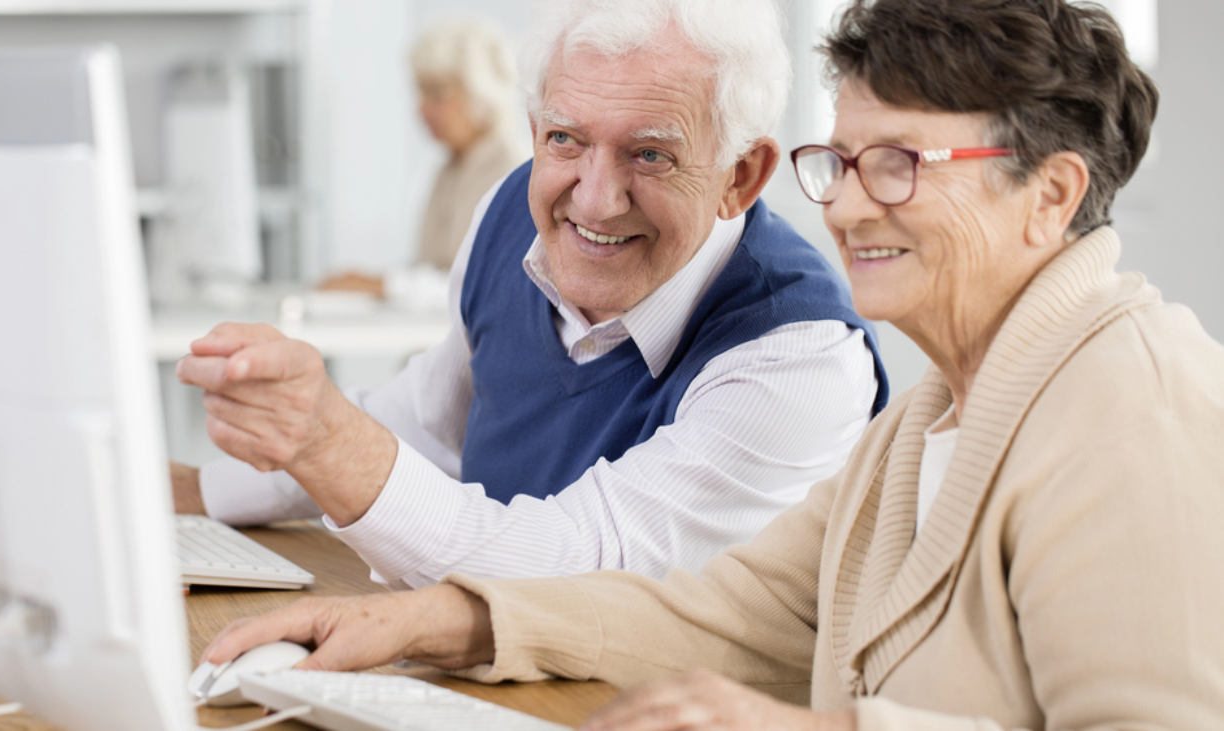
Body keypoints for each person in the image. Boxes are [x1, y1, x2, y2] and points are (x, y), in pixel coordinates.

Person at [197, 0, 1224, 729]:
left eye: (900, 164)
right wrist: (433, 618)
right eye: (846, 161)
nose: (851, 206)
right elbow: (724, 614)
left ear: (1049, 196)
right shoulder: (930, 421)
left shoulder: (1133, 407)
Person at [171, 0, 888, 589]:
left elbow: (577, 568)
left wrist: (329, 440)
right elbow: (430, 422)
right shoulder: (511, 210)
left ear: (742, 176)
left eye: (651, 154)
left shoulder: (799, 354)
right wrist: (203, 492)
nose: (598, 201)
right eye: (567, 140)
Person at [318, 20, 529, 300]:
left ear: (482, 92)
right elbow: (433, 269)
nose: (422, 107)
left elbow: (481, 287)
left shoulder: (513, 172)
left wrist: (379, 285)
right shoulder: (451, 168)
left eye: (438, 93)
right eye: (420, 92)